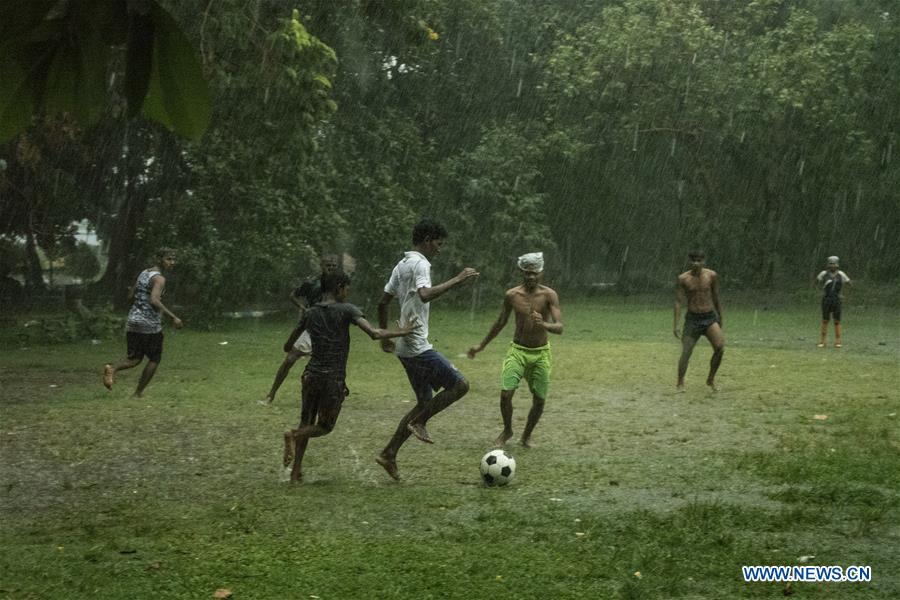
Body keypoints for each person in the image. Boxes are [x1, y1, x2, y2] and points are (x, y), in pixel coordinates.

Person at [281, 270, 415, 482]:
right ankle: (293, 434)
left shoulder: (310, 313)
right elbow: (374, 333)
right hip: (332, 379)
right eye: (346, 289)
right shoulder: (347, 310)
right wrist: (403, 332)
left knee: (306, 421)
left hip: (311, 375)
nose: (347, 294)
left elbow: (287, 346)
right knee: (324, 426)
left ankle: (295, 472)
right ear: (339, 288)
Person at [374, 218, 479, 480]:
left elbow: (383, 302)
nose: (439, 250)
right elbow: (425, 294)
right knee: (460, 385)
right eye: (438, 244)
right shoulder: (421, 263)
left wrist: (385, 337)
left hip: (404, 346)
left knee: (424, 402)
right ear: (427, 240)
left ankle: (388, 454)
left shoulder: (402, 264)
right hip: (417, 346)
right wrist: (458, 279)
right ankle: (420, 421)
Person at [467, 252, 563, 448]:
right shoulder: (512, 295)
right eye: (527, 273)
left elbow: (559, 327)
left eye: (535, 273)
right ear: (522, 272)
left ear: (541, 273)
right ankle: (507, 430)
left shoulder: (549, 295)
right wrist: (481, 346)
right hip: (517, 351)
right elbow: (500, 322)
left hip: (541, 353)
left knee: (539, 400)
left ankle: (526, 436)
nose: (531, 277)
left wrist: (544, 324)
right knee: (505, 394)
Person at [260, 254, 340, 405]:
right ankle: (271, 395)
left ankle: (331, 396)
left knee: (330, 366)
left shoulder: (339, 283)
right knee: (290, 359)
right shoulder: (312, 283)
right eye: (328, 265)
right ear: (321, 266)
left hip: (330, 330)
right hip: (312, 328)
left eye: (334, 266)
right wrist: (303, 308)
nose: (331, 268)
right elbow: (293, 295)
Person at [103, 247, 183, 397]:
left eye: (173, 259)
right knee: (155, 358)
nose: (172, 262)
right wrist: (173, 317)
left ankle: (112, 369)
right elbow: (154, 300)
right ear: (159, 259)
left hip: (133, 321)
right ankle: (137, 393)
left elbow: (130, 296)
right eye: (168, 259)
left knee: (134, 359)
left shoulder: (144, 273)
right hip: (149, 324)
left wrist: (139, 306)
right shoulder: (159, 279)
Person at [674, 250, 724, 392]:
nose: (696, 263)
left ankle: (710, 379)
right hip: (692, 319)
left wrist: (720, 316)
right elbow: (678, 302)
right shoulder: (683, 278)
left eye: (699, 260)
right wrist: (676, 324)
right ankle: (680, 382)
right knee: (686, 352)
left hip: (709, 317)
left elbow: (716, 296)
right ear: (689, 262)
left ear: (704, 261)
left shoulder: (711, 275)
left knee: (719, 348)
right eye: (693, 260)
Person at [816, 256, 851, 348]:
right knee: (825, 320)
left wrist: (843, 294)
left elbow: (849, 283)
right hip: (826, 299)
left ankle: (838, 341)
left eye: (834, 264)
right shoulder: (823, 274)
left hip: (836, 299)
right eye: (831, 264)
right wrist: (820, 292)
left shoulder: (841, 274)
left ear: (837, 265)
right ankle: (822, 341)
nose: (832, 266)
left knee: (837, 321)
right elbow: (817, 283)